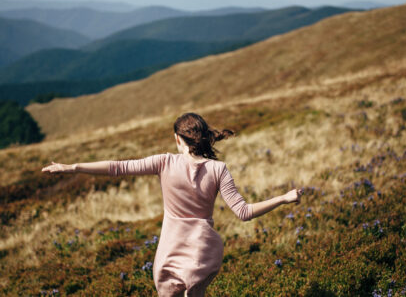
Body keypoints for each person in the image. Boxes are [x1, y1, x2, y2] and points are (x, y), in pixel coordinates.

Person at [42, 112, 302, 297]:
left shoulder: (164, 162)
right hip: (202, 250)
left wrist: (72, 167)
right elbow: (244, 213)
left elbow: (117, 168)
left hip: (171, 249)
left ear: (178, 138)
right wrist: (283, 198)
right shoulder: (218, 169)